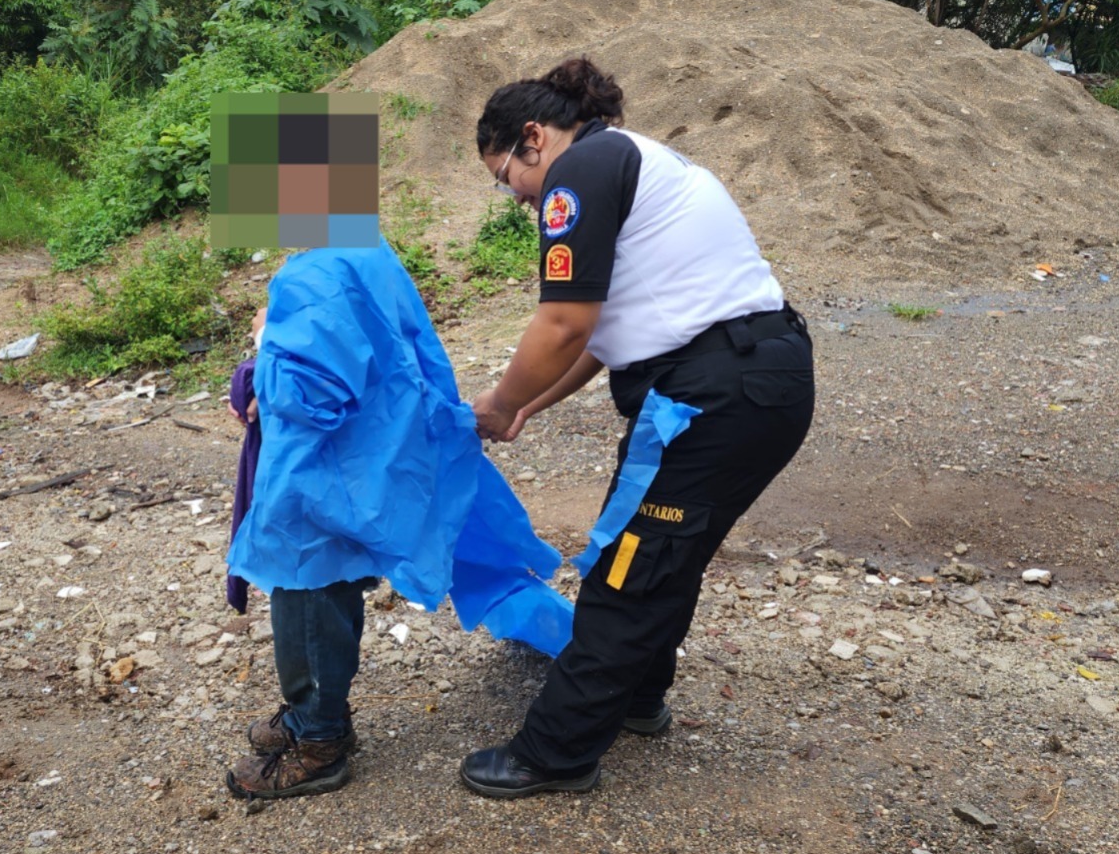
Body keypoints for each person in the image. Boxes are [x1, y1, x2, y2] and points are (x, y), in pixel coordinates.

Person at [459, 57, 816, 798]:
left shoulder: (581, 168)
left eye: (506, 178)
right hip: (743, 381)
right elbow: (598, 338)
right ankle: (636, 695)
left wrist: (495, 402)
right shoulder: (633, 160)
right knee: (657, 553)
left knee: (629, 570)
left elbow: (561, 321)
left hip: (716, 390)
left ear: (532, 137)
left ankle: (555, 752)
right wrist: (527, 405)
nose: (518, 198)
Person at [224, 241, 574, 800]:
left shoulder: (314, 274)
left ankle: (320, 740)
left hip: (323, 474)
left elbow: (309, 396)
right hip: (369, 458)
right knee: (325, 590)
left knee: (309, 591)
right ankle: (308, 717)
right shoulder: (366, 253)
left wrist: (265, 346)